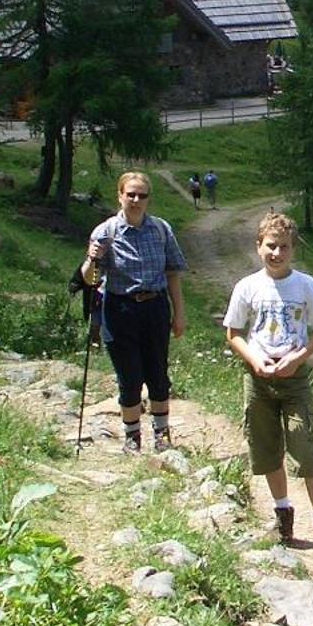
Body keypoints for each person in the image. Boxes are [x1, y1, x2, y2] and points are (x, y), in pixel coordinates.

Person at [223, 210, 313, 564]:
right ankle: (283, 515)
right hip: (258, 379)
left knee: (304, 445)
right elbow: (233, 333)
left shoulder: (306, 286)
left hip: (295, 379)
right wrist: (254, 361)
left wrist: (298, 359)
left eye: (284, 247)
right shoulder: (247, 287)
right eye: (271, 246)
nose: (277, 253)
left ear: (294, 249)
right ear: (259, 246)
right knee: (266, 446)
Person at [83, 172, 187, 452]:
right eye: (131, 194)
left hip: (155, 306)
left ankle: (162, 434)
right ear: (120, 195)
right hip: (119, 308)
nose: (136, 200)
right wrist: (92, 258)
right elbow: (89, 277)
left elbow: (173, 272)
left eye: (141, 195)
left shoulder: (161, 230)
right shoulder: (106, 232)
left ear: (148, 199)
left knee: (157, 372)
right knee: (129, 376)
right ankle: (132, 437)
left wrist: (179, 314)